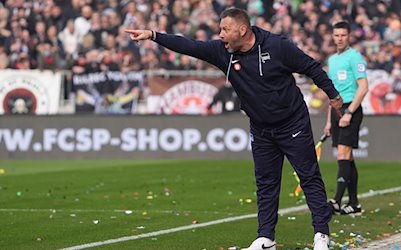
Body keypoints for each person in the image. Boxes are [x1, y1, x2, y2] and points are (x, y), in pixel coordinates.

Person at [125, 8, 343, 250]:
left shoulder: (277, 46)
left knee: (308, 177)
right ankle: (266, 237)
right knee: (266, 183)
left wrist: (332, 94)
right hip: (261, 129)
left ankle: (322, 234)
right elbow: (190, 46)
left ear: (242, 30)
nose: (220, 35)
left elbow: (311, 67)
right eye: (220, 29)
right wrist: (154, 35)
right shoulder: (223, 52)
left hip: (292, 123)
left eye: (225, 30)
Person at [324, 21, 368, 216]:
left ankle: (336, 200)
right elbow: (331, 94)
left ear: (349, 36)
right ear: (332, 37)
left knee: (343, 155)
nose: (339, 38)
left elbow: (364, 87)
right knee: (347, 158)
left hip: (351, 108)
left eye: (343, 35)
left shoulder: (355, 57)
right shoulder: (332, 60)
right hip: (336, 110)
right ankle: (354, 203)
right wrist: (328, 121)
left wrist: (349, 112)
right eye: (336, 35)